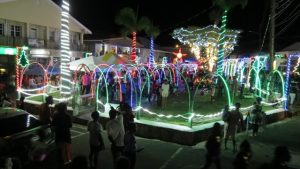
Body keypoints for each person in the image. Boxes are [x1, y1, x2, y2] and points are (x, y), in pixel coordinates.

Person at [51, 102, 72, 168]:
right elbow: (70, 126)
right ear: (64, 108)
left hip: (59, 135)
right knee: (67, 151)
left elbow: (53, 125)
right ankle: (67, 163)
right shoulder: (67, 116)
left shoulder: (55, 115)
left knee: (60, 150)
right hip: (66, 135)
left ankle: (60, 163)